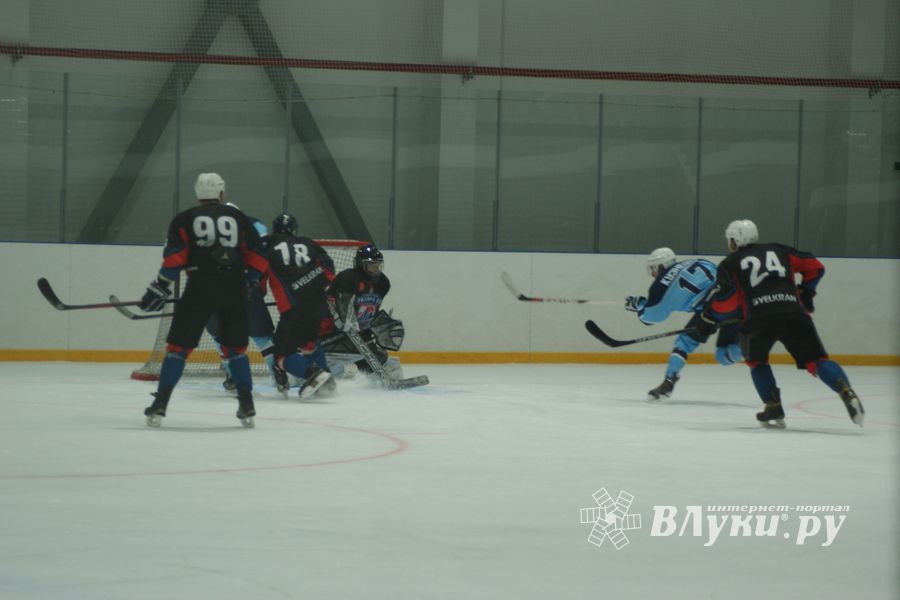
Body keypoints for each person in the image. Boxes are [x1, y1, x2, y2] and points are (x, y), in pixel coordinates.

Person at [698, 219, 864, 428]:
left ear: (735, 240)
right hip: (793, 313)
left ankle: (773, 405)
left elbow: (727, 299)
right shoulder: (780, 251)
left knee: (757, 362)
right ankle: (845, 390)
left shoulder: (730, 263)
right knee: (818, 361)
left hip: (758, 319)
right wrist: (807, 292)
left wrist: (709, 317)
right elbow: (815, 267)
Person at [139, 173, 268, 428]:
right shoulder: (239, 218)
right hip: (234, 286)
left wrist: (160, 286)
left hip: (200, 286)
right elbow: (258, 253)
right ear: (222, 193)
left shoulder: (185, 219)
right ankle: (247, 404)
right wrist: (252, 281)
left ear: (198, 194)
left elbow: (175, 259)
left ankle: (161, 403)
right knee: (236, 350)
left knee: (178, 349)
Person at [625, 247, 743, 400]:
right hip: (737, 299)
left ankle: (669, 381)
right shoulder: (696, 261)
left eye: (653, 269)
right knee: (723, 354)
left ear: (661, 266)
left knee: (684, 343)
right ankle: (747, 346)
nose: (653, 275)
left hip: (712, 309)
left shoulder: (659, 287)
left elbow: (650, 318)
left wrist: (639, 304)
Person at [207, 202, 278, 391]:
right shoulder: (255, 226)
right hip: (247, 286)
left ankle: (233, 376)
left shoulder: (209, 230)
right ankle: (279, 375)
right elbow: (262, 258)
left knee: (219, 335)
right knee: (262, 336)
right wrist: (258, 286)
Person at [263, 213, 335, 399]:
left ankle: (312, 374)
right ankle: (327, 381)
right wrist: (312, 285)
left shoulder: (268, 245)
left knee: (281, 357)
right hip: (318, 302)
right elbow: (329, 269)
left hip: (293, 308)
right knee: (310, 343)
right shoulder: (308, 243)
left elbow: (260, 279)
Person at [320, 244, 405, 378]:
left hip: (359, 334)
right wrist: (344, 323)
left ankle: (362, 377)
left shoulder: (383, 283)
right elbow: (339, 305)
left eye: (378, 264)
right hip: (335, 332)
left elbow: (371, 308)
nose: (376, 268)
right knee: (325, 356)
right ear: (361, 264)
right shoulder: (349, 278)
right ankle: (318, 371)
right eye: (372, 264)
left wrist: (378, 323)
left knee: (380, 357)